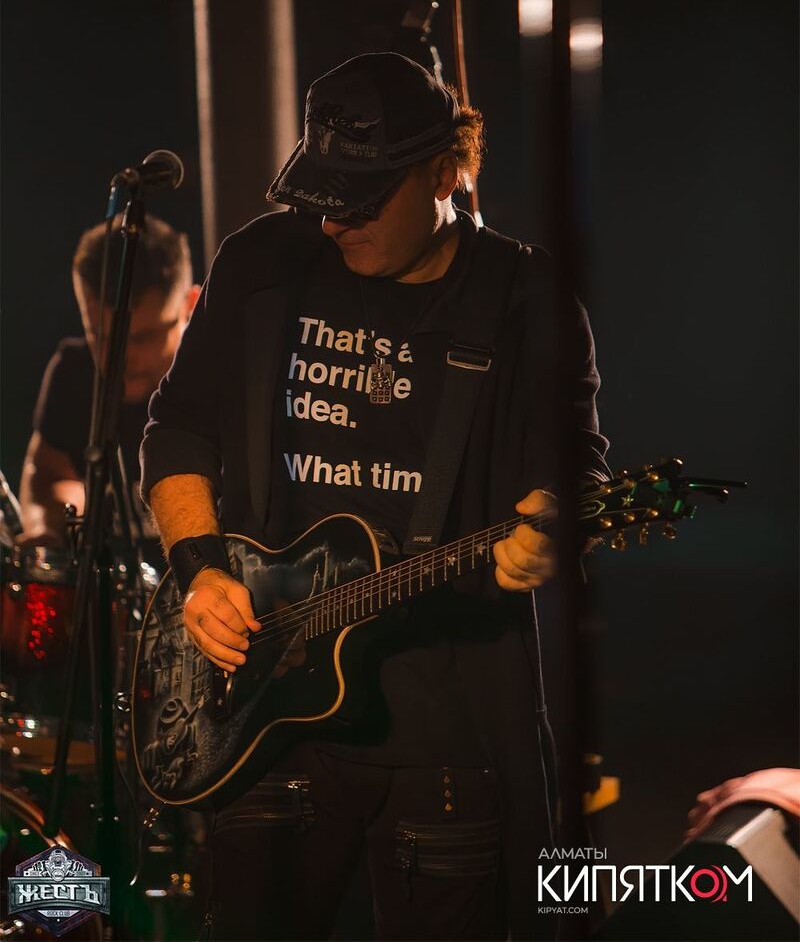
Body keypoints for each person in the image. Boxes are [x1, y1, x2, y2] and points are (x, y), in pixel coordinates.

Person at [140, 52, 610, 941]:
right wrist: (199, 570)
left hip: (446, 730)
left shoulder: (522, 297)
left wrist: (556, 528)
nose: (333, 223)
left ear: (445, 172)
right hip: (263, 716)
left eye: (360, 203)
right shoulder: (263, 262)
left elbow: (576, 468)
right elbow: (178, 430)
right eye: (322, 197)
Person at [20, 214, 200, 548]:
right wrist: (50, 524)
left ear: (190, 305)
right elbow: (49, 474)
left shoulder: (220, 380)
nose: (120, 357)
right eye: (101, 335)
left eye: (142, 338)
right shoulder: (74, 371)